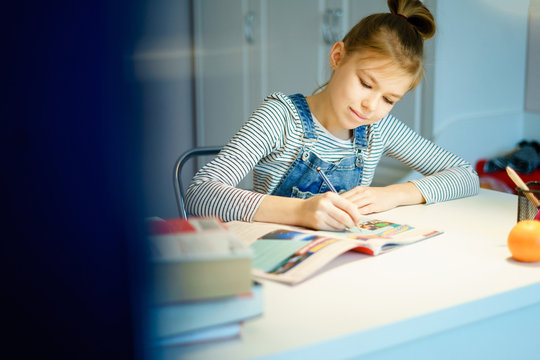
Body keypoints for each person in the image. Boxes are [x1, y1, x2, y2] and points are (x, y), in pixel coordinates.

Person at [186, 0, 479, 230]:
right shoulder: (280, 119)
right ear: (337, 56)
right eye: (365, 83)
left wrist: (389, 195)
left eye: (389, 99)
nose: (370, 106)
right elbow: (201, 195)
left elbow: (466, 176)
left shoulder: (379, 128)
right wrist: (301, 211)